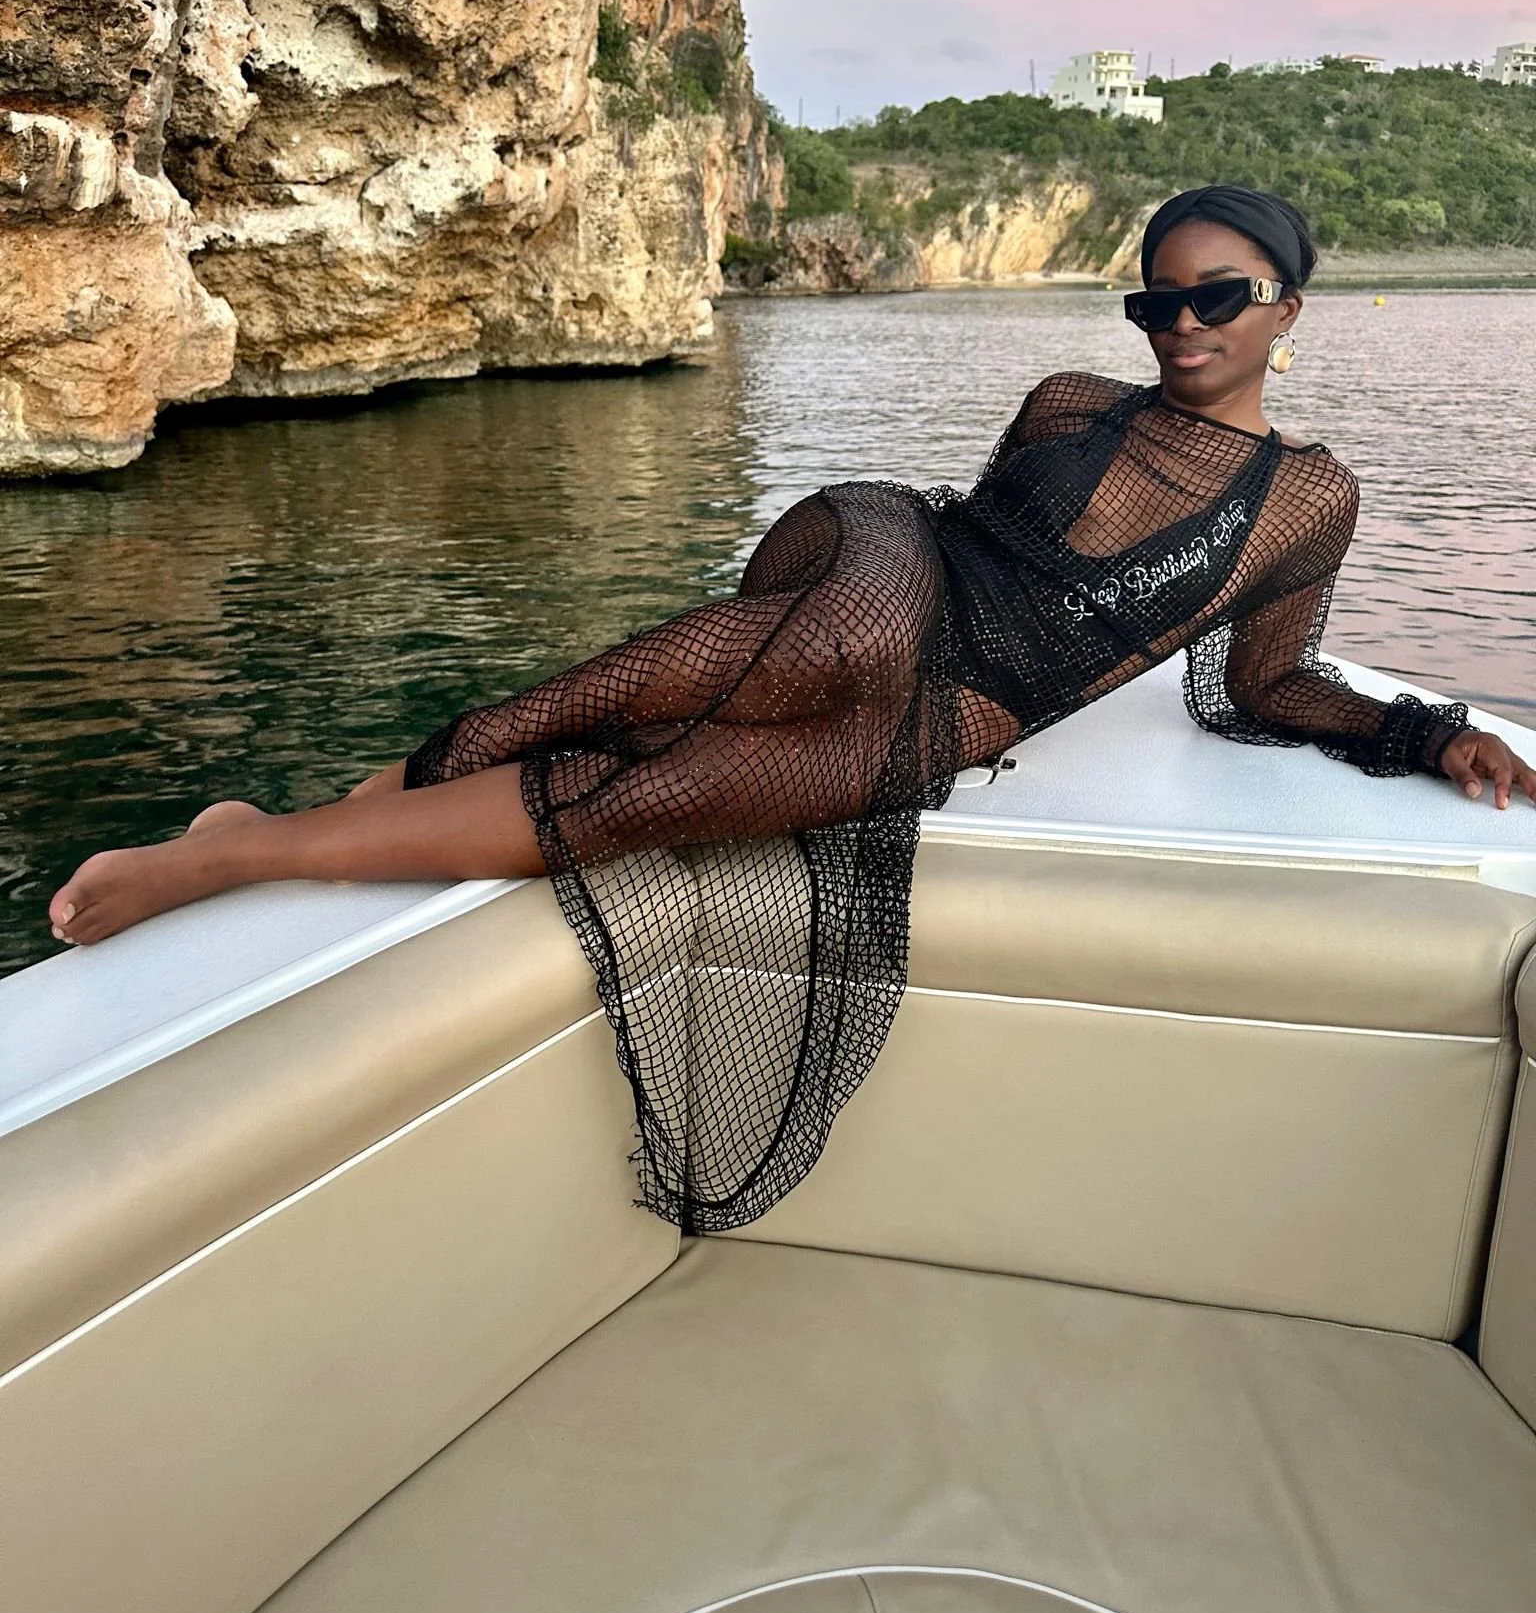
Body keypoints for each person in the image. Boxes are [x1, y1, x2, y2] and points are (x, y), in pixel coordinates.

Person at [49, 185, 1535, 1232]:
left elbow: (1271, 679)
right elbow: (979, 534)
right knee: (846, 636)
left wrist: (1430, 734)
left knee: (654, 794)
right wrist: (896, 612)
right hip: (886, 557)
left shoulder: (1308, 499)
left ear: (1288, 309)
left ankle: (255, 840)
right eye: (1160, 297)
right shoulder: (1074, 404)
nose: (1183, 323)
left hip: (955, 706)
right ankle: (248, 848)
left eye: (1218, 297)